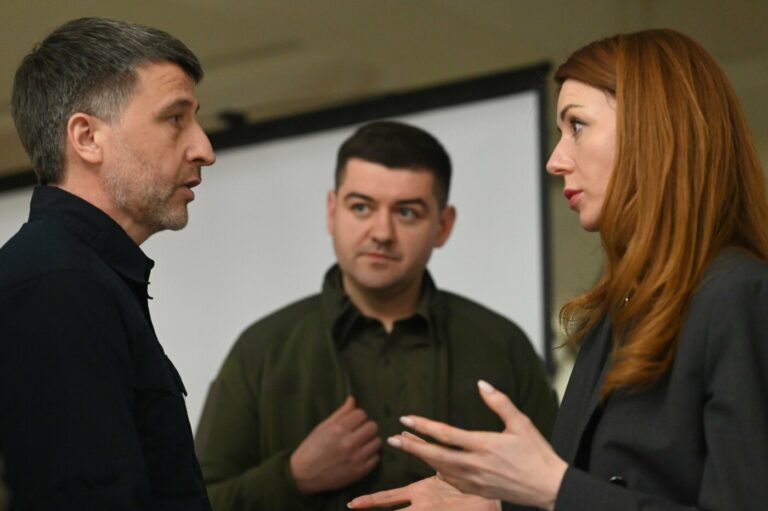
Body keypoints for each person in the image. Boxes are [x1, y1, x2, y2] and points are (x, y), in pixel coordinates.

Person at [348, 28, 768, 511]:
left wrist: (549, 487)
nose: (554, 160)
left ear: (653, 130)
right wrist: (494, 505)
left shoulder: (737, 295)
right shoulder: (615, 310)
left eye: (577, 126)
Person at [194, 120, 558, 510]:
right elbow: (196, 501)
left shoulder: (502, 346)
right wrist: (292, 476)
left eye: (407, 212)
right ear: (332, 211)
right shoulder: (262, 349)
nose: (381, 232)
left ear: (443, 225)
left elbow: (563, 490)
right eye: (361, 207)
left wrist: (490, 507)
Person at [0, 17, 216, 510]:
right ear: (87, 138)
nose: (204, 149)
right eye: (175, 118)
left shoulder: (76, 275)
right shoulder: (57, 286)